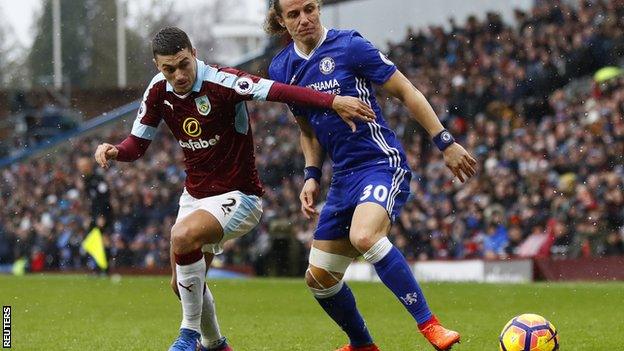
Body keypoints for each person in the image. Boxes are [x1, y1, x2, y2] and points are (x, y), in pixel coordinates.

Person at [94, 26, 375, 351]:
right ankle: (216, 344)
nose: (178, 74)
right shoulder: (158, 91)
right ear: (159, 67)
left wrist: (333, 101)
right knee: (182, 285)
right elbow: (137, 145)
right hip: (196, 197)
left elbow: (281, 92)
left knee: (182, 237)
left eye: (183, 64)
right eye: (168, 69)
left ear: (194, 53)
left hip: (239, 196)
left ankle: (188, 336)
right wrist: (116, 151)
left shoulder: (222, 82)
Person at [265, 1, 477, 350]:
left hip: (380, 163)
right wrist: (312, 174)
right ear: (281, 20)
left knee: (365, 236)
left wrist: (445, 141)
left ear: (318, 7)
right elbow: (307, 130)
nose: (304, 19)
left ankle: (431, 326)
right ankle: (363, 344)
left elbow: (406, 91)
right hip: (342, 178)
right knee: (319, 280)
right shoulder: (282, 67)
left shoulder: (350, 46)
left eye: (309, 9)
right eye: (293, 14)